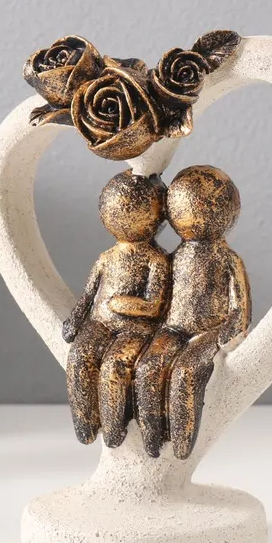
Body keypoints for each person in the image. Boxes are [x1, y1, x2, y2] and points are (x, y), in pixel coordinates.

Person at [135, 165, 251, 460]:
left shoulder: (228, 258)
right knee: (148, 367)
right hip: (172, 328)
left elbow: (240, 307)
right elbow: (160, 299)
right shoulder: (175, 257)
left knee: (185, 372)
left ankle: (182, 445)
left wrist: (230, 332)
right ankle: (152, 440)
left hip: (209, 331)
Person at [62, 171, 170, 448]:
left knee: (115, 367)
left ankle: (114, 431)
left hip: (136, 329)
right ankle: (86, 424)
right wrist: (76, 318)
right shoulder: (106, 258)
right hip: (101, 323)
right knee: (79, 358)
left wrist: (126, 305)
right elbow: (88, 295)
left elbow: (156, 306)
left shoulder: (156, 260)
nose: (124, 216)